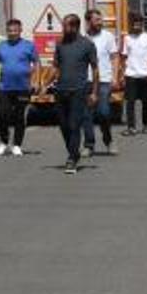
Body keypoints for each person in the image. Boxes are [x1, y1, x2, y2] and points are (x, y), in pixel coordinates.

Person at [44, 14, 98, 175]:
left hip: (79, 91)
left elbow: (95, 69)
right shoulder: (60, 45)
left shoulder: (87, 45)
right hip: (60, 91)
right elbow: (55, 67)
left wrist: (94, 92)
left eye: (66, 26)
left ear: (75, 27)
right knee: (64, 125)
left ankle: (71, 159)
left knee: (74, 125)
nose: (63, 29)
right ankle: (74, 152)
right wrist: (44, 84)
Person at [0, 18, 40, 156]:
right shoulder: (1, 46)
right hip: (5, 87)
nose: (12, 33)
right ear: (7, 31)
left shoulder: (29, 46)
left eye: (15, 30)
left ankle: (17, 145)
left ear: (20, 31)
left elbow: (37, 64)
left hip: (23, 88)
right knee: (3, 115)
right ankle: (3, 143)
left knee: (19, 117)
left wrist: (35, 81)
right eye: (10, 31)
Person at [82, 9, 121, 157]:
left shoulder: (108, 37)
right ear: (89, 21)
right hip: (86, 81)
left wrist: (115, 77)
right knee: (87, 115)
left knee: (103, 112)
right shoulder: (83, 39)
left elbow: (114, 57)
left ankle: (108, 140)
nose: (100, 22)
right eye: (97, 20)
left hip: (104, 80)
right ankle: (89, 145)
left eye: (101, 19)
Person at [120, 14, 147, 136]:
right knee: (130, 102)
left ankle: (146, 126)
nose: (136, 25)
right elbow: (124, 57)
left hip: (145, 74)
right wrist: (122, 74)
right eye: (134, 23)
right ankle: (131, 127)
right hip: (131, 75)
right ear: (131, 24)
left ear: (142, 24)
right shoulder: (127, 38)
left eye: (138, 23)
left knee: (145, 102)